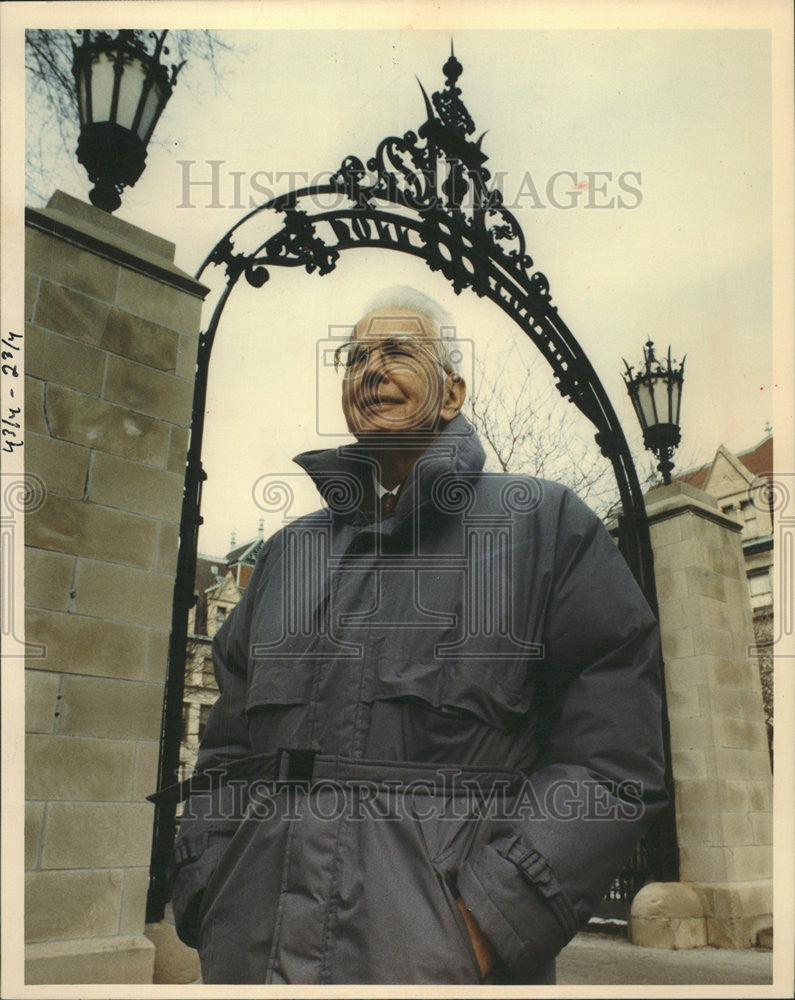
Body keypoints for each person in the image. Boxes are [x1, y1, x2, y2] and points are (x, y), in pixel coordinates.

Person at [169, 286, 667, 984]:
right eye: (353, 358)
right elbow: (224, 752)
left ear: (452, 391)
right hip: (251, 955)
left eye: (397, 351)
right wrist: (205, 888)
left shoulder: (544, 527)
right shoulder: (287, 555)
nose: (369, 370)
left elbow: (609, 762)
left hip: (437, 964)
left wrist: (493, 920)